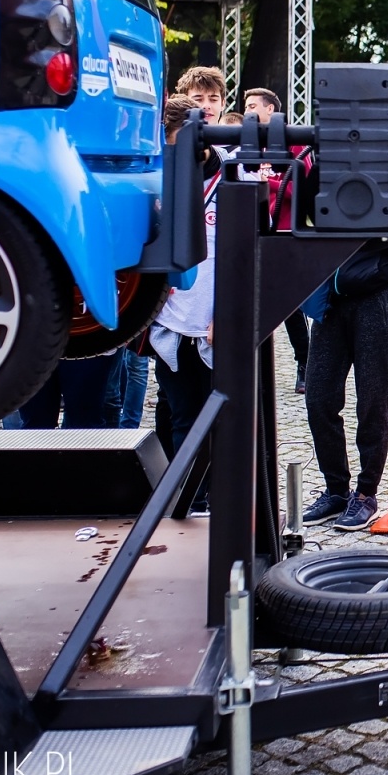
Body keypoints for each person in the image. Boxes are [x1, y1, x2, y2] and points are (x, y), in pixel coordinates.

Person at [300, 145, 388, 529]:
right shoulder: (327, 163)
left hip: (374, 296)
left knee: (372, 400)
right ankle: (336, 489)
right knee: (318, 396)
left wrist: (370, 248)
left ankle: (366, 492)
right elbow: (302, 213)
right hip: (332, 296)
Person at [149, 89, 223, 510]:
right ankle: (186, 500)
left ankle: (217, 497)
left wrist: (226, 313)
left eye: (179, 146)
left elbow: (247, 254)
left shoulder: (231, 176)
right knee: (181, 416)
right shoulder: (157, 176)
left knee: (219, 419)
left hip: (213, 322)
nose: (174, 156)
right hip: (171, 322)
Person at [241, 86, 310, 390]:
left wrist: (266, 183)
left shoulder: (293, 141)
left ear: (270, 109)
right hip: (251, 233)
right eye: (246, 106)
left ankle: (305, 362)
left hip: (283, 234)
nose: (247, 111)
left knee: (289, 306)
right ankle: (251, 366)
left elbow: (302, 189)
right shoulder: (247, 141)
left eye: (253, 105)